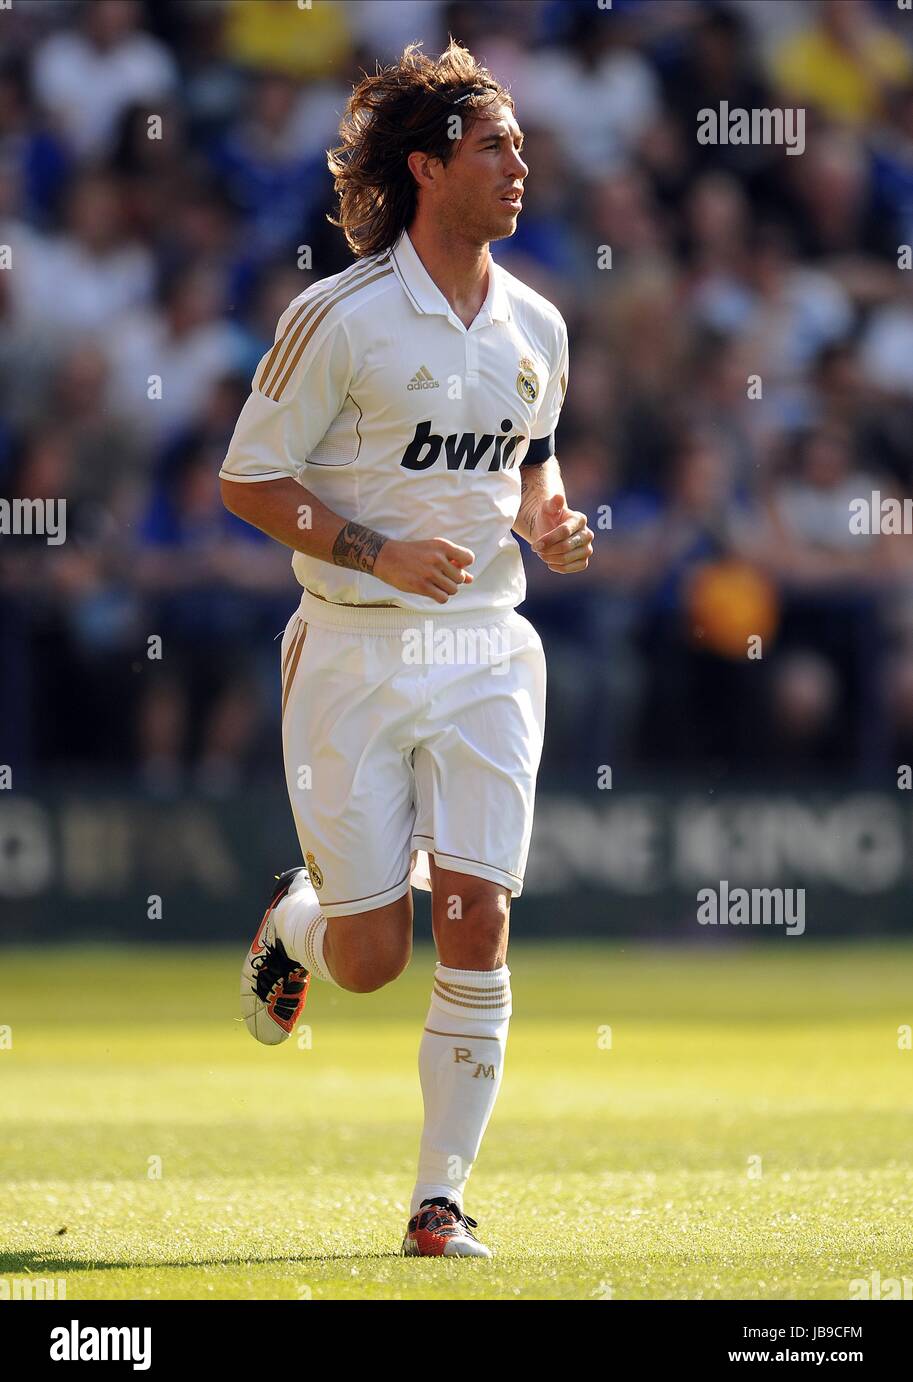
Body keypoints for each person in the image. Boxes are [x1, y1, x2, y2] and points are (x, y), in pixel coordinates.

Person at [219, 41, 593, 1258]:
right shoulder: (338, 316)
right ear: (429, 168)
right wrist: (373, 550)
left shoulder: (537, 320)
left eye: (522, 146)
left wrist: (549, 520)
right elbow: (247, 479)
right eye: (495, 146)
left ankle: (440, 1203)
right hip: (354, 648)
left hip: (489, 645)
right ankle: (297, 921)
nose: (519, 165)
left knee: (477, 914)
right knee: (375, 959)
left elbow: (528, 459)